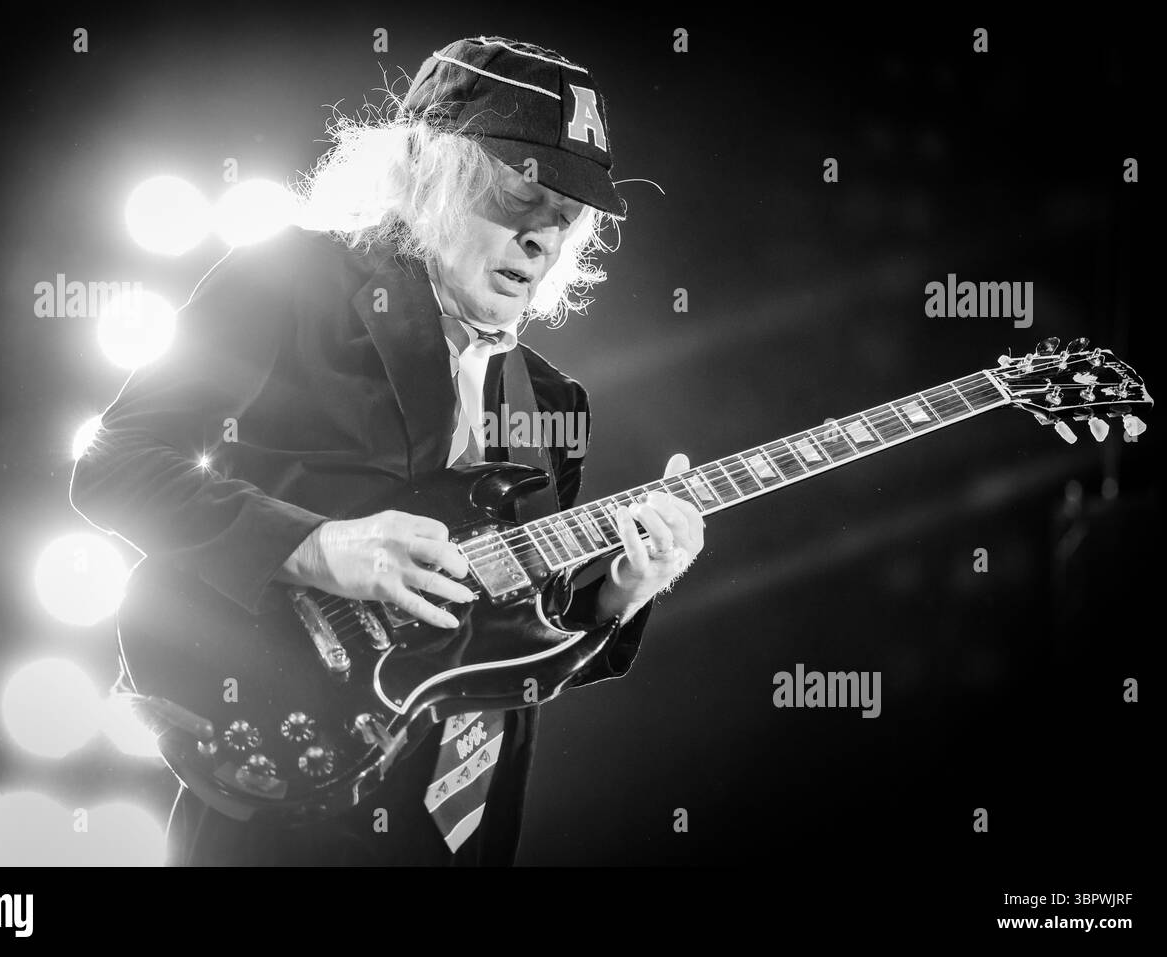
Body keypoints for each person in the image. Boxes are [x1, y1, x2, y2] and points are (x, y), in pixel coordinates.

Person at [71, 35, 704, 866]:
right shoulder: (289, 280)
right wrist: (315, 546)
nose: (542, 238)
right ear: (429, 169)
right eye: (523, 194)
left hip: (463, 831)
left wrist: (617, 593)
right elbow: (113, 465)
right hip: (283, 798)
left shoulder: (551, 401)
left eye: (565, 216)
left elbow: (506, 640)